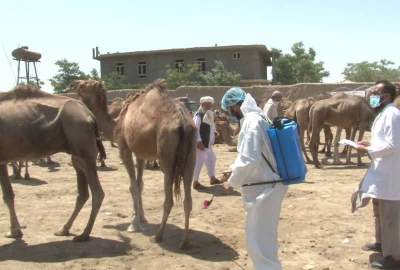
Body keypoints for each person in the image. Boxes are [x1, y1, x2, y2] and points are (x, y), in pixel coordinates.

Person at [221, 87, 288, 270]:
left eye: (229, 109)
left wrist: (232, 181)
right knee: (262, 240)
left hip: (265, 188)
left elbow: (249, 159)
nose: (230, 114)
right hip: (266, 184)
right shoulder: (257, 118)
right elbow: (254, 155)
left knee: (260, 244)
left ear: (235, 105)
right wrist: (233, 168)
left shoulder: (251, 121)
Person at [354, 80, 400, 269]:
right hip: (381, 172)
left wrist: (368, 150)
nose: (371, 96)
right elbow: (383, 142)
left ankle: (394, 257)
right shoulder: (383, 114)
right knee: (379, 211)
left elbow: (393, 145)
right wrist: (368, 145)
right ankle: (382, 244)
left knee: (391, 217)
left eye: (375, 92)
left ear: (386, 96)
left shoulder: (393, 115)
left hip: (391, 174)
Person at [192, 96, 221, 190]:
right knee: (199, 162)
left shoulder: (209, 115)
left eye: (210, 104)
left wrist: (214, 132)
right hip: (201, 143)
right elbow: (195, 129)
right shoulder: (198, 115)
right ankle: (195, 182)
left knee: (212, 159)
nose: (209, 106)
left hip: (207, 143)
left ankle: (212, 178)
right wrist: (198, 141)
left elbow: (211, 126)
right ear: (202, 104)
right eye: (207, 104)